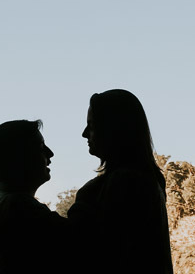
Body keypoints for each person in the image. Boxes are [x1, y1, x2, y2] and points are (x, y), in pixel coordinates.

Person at [67, 89, 174, 274]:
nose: (85, 133)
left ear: (112, 128)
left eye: (91, 125)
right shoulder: (148, 180)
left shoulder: (123, 183)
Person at [0, 119, 71, 274]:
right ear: (20, 157)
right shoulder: (17, 206)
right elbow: (79, 239)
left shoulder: (7, 204)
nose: (50, 153)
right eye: (40, 147)